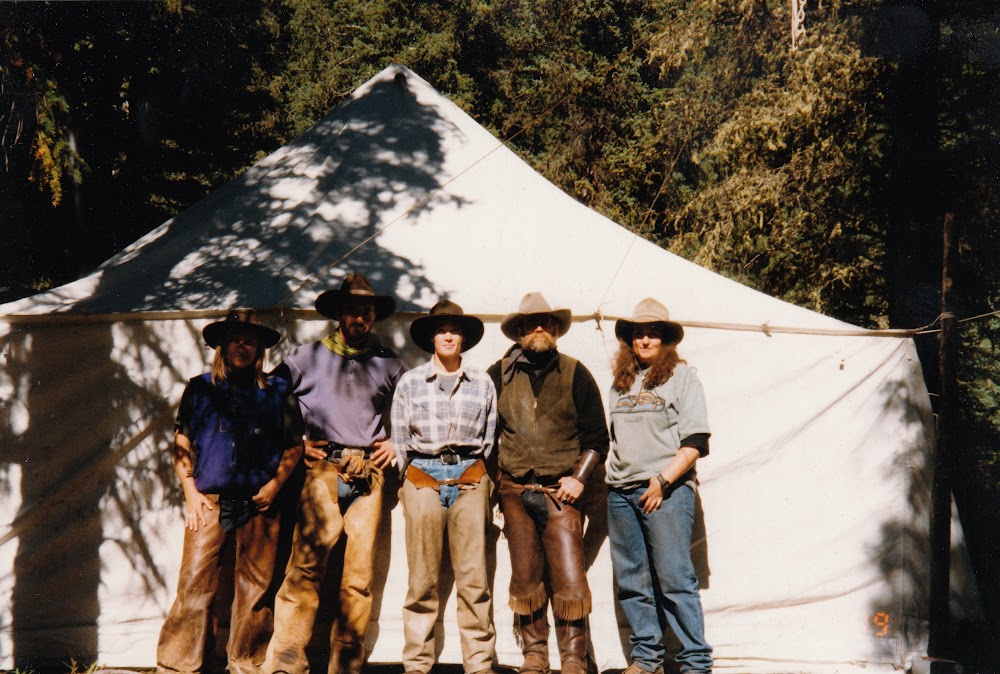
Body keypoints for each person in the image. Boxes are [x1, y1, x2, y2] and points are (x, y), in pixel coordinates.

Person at [265, 273, 405, 674]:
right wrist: (293, 443)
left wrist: (397, 441)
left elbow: (415, 409)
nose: (359, 319)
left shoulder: (389, 363)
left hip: (368, 476)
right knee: (305, 568)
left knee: (359, 577)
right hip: (322, 470)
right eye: (352, 311)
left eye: (366, 312)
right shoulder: (306, 358)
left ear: (374, 317)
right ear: (339, 315)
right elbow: (266, 398)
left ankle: (346, 664)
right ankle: (287, 661)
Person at [157, 309, 304, 674]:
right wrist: (190, 491)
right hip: (210, 499)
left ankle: (245, 664)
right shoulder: (200, 387)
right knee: (194, 582)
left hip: (260, 499)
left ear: (259, 349)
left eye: (250, 341)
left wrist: (274, 486)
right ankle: (178, 667)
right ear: (223, 345)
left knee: (255, 587)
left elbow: (294, 446)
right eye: (236, 339)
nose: (243, 346)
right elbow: (181, 441)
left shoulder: (276, 392)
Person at [487, 292, 609, 674]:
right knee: (525, 577)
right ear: (520, 330)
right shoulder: (497, 374)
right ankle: (534, 655)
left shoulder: (576, 372)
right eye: (531, 323)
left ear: (556, 329)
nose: (540, 328)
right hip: (516, 491)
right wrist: (498, 484)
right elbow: (486, 437)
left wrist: (578, 479)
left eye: (546, 323)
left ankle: (573, 659)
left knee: (570, 579)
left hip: (562, 491)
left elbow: (597, 439)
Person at [605, 298, 713, 674]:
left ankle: (695, 663)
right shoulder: (619, 383)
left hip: (665, 491)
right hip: (621, 492)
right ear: (630, 340)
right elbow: (614, 439)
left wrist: (663, 481)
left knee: (674, 579)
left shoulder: (682, 377)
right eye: (639, 333)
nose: (645, 339)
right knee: (632, 581)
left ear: (665, 339)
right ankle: (647, 658)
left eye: (653, 333)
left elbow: (695, 442)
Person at [391, 299, 498, 674]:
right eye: (441, 329)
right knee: (422, 579)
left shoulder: (483, 382)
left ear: (463, 337)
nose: (448, 335)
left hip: (470, 476)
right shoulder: (410, 382)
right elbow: (400, 440)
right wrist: (415, 482)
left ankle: (479, 664)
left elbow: (489, 440)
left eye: (454, 329)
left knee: (474, 579)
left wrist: (477, 477)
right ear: (431, 337)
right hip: (423, 478)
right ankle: (417, 664)